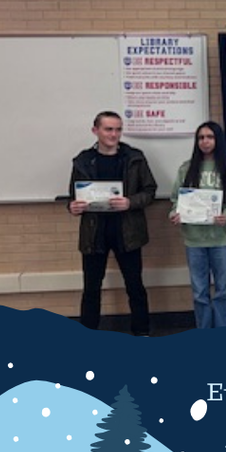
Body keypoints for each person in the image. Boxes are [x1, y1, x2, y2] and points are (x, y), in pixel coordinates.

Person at [67, 111, 156, 336]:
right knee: (91, 289)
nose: (114, 134)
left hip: (128, 231)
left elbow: (149, 191)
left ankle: (142, 333)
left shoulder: (135, 157)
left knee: (135, 286)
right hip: (94, 233)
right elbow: (73, 197)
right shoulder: (82, 160)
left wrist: (130, 202)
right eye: (108, 129)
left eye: (118, 129)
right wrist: (72, 207)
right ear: (95, 131)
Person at [169, 121, 226, 329]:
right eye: (201, 138)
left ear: (218, 140)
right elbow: (175, 200)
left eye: (210, 137)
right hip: (194, 239)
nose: (205, 141)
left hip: (222, 238)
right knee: (199, 292)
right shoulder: (186, 168)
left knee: (223, 291)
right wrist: (174, 214)